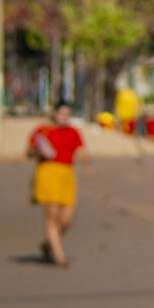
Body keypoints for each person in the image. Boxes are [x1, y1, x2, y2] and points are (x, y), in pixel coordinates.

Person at [28, 101, 87, 266]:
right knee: (52, 216)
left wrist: (88, 165)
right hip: (47, 172)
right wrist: (38, 150)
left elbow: (81, 150)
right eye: (61, 114)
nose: (64, 118)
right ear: (55, 113)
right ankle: (59, 256)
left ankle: (49, 244)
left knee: (67, 219)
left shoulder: (73, 131)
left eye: (67, 115)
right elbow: (29, 151)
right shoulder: (43, 130)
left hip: (67, 174)